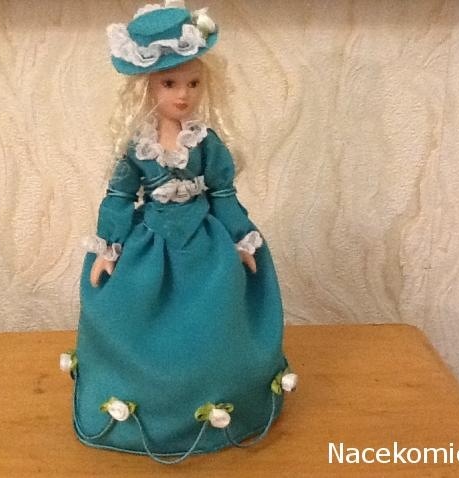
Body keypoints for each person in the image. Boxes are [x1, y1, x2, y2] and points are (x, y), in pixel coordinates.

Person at [61, 1, 298, 464]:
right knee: (131, 315)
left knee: (215, 321)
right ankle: (142, 410)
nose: (183, 95)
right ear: (146, 87)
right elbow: (118, 197)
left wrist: (241, 239)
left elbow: (224, 194)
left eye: (192, 83)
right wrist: (109, 249)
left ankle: (221, 403)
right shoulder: (137, 148)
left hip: (206, 249)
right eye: (169, 84)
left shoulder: (206, 142)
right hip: (149, 247)